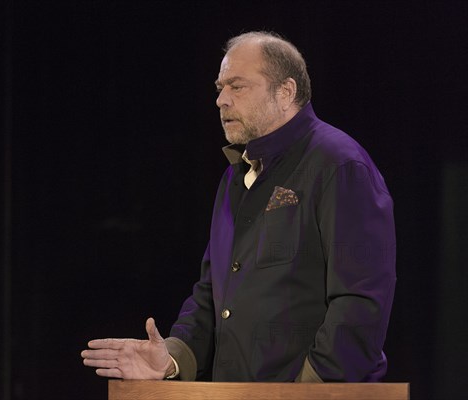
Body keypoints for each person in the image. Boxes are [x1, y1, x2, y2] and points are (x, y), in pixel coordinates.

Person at [81, 31, 396, 383]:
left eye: (237, 86)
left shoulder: (338, 164)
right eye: (219, 88)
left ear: (285, 92)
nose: (221, 100)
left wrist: (311, 390)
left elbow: (360, 301)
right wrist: (171, 358)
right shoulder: (236, 176)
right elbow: (211, 294)